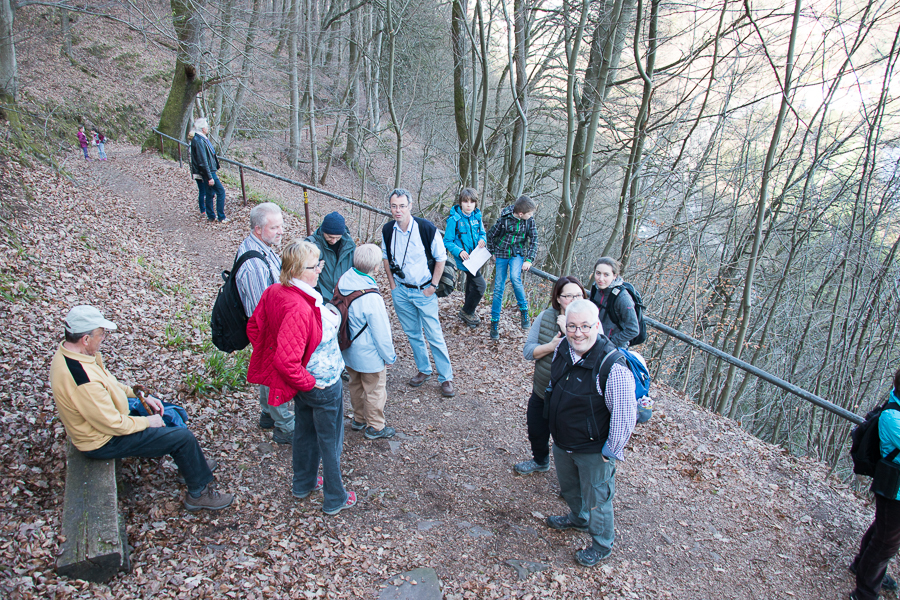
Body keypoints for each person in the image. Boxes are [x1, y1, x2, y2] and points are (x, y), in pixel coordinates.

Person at [50, 305, 233, 511]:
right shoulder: (81, 380)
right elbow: (111, 423)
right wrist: (148, 422)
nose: (103, 338)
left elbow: (108, 385)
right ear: (85, 339)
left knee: (167, 412)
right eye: (101, 334)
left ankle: (190, 467)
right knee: (182, 438)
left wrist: (139, 395)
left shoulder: (76, 356)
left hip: (109, 421)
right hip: (103, 440)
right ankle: (199, 494)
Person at [247, 240, 356, 515]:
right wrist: (309, 380)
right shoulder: (298, 307)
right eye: (315, 265)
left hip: (307, 384)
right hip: (321, 384)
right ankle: (335, 497)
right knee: (329, 441)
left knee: (305, 432)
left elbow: (255, 326)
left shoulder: (276, 291)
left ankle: (303, 483)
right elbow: (286, 361)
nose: (320, 269)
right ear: (296, 269)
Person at [544, 299, 636, 567]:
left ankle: (601, 544)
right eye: (572, 326)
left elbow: (624, 417)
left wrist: (610, 451)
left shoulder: (613, 366)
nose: (578, 332)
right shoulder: (563, 348)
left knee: (599, 499)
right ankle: (578, 518)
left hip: (595, 450)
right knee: (570, 488)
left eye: (585, 326)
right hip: (563, 441)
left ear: (598, 326)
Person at [381, 188, 455, 398]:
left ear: (410, 206)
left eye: (402, 206)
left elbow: (441, 258)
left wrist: (433, 286)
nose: (398, 210)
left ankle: (446, 377)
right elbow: (385, 257)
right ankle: (424, 369)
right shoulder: (388, 230)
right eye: (394, 206)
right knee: (413, 333)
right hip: (401, 291)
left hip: (424, 290)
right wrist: (392, 285)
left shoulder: (426, 228)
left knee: (434, 334)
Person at [514, 275, 586, 474]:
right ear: (558, 298)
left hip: (572, 397)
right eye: (568, 296)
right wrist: (551, 346)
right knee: (536, 429)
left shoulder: (591, 324)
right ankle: (540, 461)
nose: (574, 300)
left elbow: (590, 358)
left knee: (569, 440)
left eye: (579, 295)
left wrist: (568, 330)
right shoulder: (546, 317)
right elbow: (528, 352)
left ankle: (573, 482)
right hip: (542, 389)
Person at [234, 203, 292, 444]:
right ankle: (284, 425)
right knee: (275, 371)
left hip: (269, 326)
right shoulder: (254, 264)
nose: (281, 231)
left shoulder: (263, 247)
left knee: (269, 368)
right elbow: (263, 310)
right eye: (274, 227)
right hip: (268, 329)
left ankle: (268, 414)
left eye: (281, 225)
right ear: (258, 229)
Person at [337, 244, 397, 439]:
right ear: (376, 268)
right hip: (369, 355)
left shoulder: (344, 280)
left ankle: (359, 418)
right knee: (375, 389)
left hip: (348, 348)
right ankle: (376, 427)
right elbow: (381, 332)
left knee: (355, 385)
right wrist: (389, 356)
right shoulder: (371, 296)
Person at [850, 367, 900, 600]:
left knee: (884, 530)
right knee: (886, 543)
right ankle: (865, 593)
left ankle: (863, 566)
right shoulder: (893, 418)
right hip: (893, 488)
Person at [486, 195, 538, 339]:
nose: (531, 216)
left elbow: (534, 240)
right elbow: (490, 235)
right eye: (529, 213)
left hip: (517, 253)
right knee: (498, 288)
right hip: (502, 253)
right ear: (521, 213)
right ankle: (494, 323)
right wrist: (492, 251)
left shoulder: (529, 221)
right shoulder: (504, 219)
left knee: (515, 278)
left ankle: (524, 311)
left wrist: (529, 259)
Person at [444, 188, 488, 329]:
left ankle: (469, 312)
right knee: (481, 286)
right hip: (465, 259)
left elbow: (482, 233)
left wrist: (482, 240)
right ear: (461, 202)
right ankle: (466, 311)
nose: (469, 205)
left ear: (475, 203)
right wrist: (459, 251)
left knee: (471, 285)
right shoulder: (454, 219)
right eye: (465, 201)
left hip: (477, 257)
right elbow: (448, 241)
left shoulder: (477, 216)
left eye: (472, 202)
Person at [588, 257, 640, 348]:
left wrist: (610, 342)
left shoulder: (622, 298)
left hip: (613, 348)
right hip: (594, 342)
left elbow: (633, 329)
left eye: (606, 275)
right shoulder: (596, 288)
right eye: (598, 273)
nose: (601, 278)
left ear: (614, 276)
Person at [306, 211, 355, 302]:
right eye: (330, 237)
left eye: (337, 237)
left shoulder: (350, 245)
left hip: (343, 301)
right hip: (320, 300)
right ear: (323, 231)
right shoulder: (311, 244)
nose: (333, 241)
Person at [190, 117, 228, 223]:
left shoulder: (200, 139)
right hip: (208, 172)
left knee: (210, 193)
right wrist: (209, 177)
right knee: (221, 192)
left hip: (208, 171)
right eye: (206, 126)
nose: (207, 128)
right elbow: (202, 160)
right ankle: (221, 216)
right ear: (202, 128)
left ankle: (211, 215)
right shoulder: (198, 140)